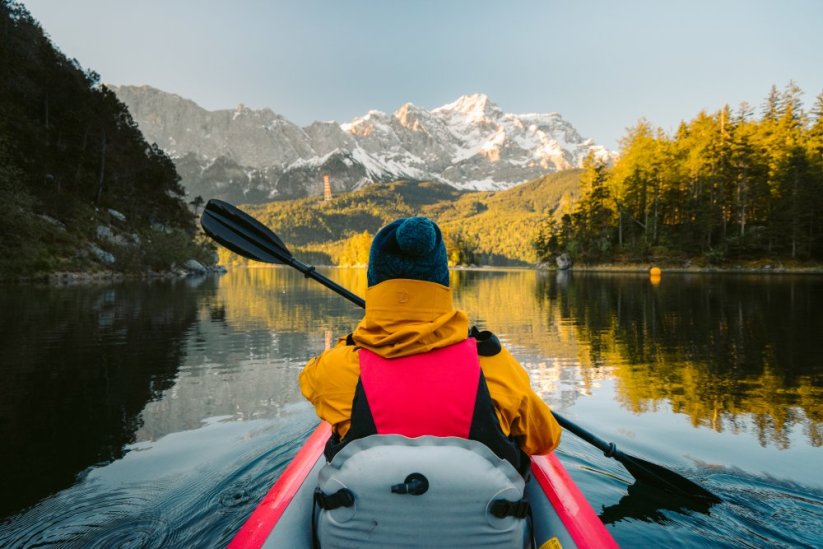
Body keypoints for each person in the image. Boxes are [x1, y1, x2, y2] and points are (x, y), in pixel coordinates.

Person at [299, 216, 561, 474]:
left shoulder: (334, 368)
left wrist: (359, 337)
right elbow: (545, 440)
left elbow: (308, 383)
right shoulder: (494, 364)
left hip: (361, 516)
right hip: (478, 514)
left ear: (373, 283)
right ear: (442, 282)